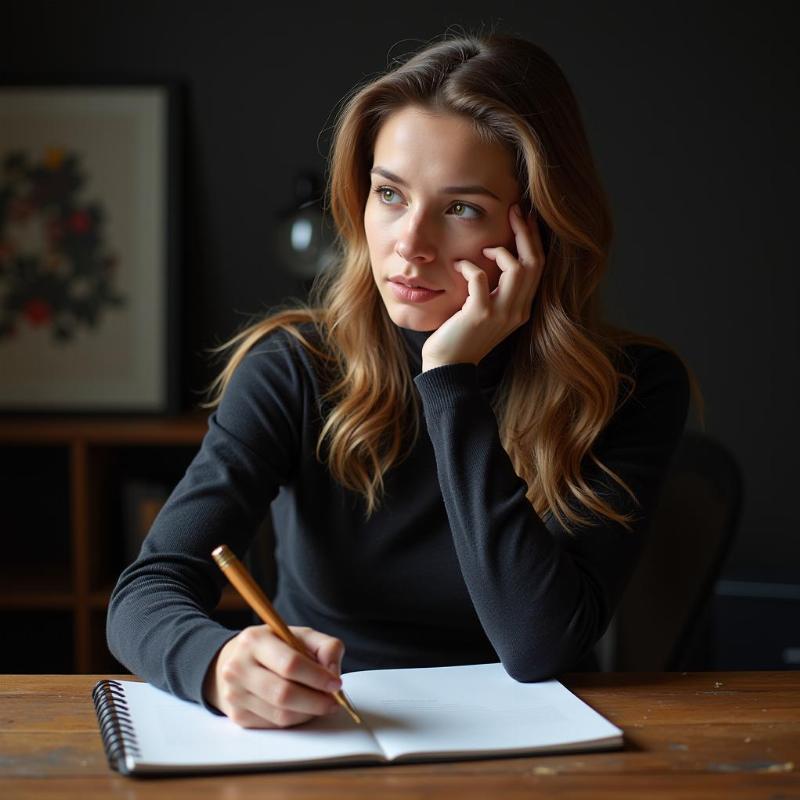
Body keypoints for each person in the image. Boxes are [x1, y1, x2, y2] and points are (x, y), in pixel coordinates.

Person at [107, 31, 695, 730]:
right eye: (390, 193)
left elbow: (539, 645)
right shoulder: (297, 367)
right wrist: (215, 664)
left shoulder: (630, 387)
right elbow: (146, 592)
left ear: (538, 230)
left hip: (540, 750)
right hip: (334, 735)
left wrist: (449, 380)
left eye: (460, 208)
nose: (409, 245)